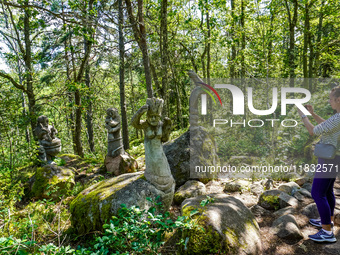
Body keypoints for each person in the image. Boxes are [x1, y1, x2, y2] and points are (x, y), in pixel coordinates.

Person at [297, 86, 340, 243]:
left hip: (328, 159)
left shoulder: (338, 117)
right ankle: (327, 222)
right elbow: (327, 126)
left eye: (330, 98)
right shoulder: (337, 117)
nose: (329, 101)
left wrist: (303, 116)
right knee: (328, 191)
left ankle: (327, 233)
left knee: (317, 193)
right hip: (335, 158)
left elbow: (313, 131)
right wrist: (313, 114)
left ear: (338, 99)